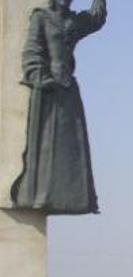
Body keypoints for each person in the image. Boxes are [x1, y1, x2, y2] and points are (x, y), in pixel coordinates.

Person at [12, 0, 107, 214]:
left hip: (67, 92)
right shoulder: (41, 18)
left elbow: (96, 18)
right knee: (45, 148)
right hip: (47, 90)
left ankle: (73, 198)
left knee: (70, 151)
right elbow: (32, 52)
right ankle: (38, 195)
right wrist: (40, 77)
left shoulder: (72, 21)